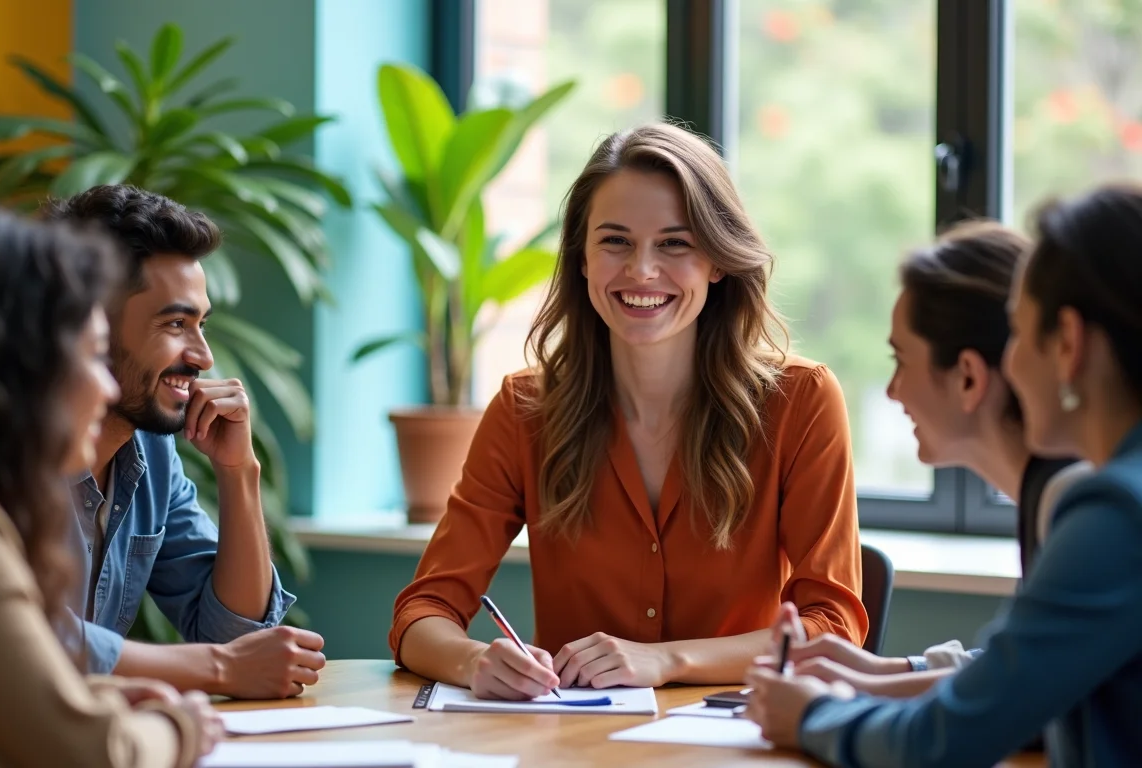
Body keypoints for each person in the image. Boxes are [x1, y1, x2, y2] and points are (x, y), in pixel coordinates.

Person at [390, 122, 867, 700]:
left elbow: (831, 629)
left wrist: (665, 661)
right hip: (573, 747)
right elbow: (423, 612)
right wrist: (473, 662)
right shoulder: (524, 411)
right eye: (615, 241)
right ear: (583, 258)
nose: (642, 271)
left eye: (675, 243)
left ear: (717, 260)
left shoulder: (802, 402)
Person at [747, 182, 1142, 767]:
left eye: (1021, 330)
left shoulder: (1113, 513)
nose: (1009, 361)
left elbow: (947, 740)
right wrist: (885, 678)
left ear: (1069, 344)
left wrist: (808, 716)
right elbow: (1029, 690)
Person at [0, 210, 222, 766]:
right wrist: (178, 726)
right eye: (89, 355)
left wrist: (99, 696)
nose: (105, 387)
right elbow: (89, 758)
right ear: (18, 367)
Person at [771, 221, 1091, 700]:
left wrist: (820, 714)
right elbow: (1029, 668)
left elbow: (1023, 698)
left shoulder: (1075, 506)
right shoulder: (1051, 491)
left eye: (901, 360)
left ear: (967, 378)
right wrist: (883, 674)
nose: (893, 390)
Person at [40, 185, 325, 699]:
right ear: (89, 326)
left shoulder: (150, 453)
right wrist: (218, 668)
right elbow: (29, 641)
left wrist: (240, 473)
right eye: (175, 323)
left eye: (201, 324)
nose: (203, 357)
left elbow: (235, 637)